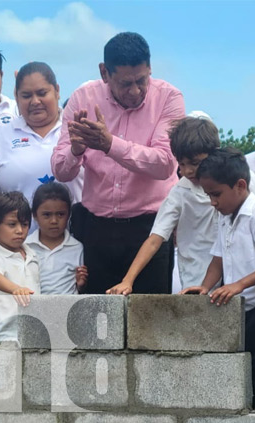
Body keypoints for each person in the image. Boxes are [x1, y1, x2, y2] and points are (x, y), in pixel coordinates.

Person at [52, 32, 185, 294]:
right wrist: (76, 150)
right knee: (96, 323)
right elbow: (60, 170)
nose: (135, 91)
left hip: (150, 228)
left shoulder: (169, 98)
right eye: (125, 83)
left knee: (149, 321)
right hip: (95, 228)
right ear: (104, 73)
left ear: (150, 69)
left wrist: (109, 144)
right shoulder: (83, 98)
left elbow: (165, 164)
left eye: (141, 80)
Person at [181, 148, 255, 411]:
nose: (212, 202)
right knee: (245, 374)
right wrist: (205, 287)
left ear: (240, 185)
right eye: (208, 196)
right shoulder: (225, 216)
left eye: (216, 194)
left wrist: (239, 284)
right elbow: (217, 258)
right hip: (238, 309)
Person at [106, 114, 220, 295]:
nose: (188, 170)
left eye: (195, 163)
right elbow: (154, 240)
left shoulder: (236, 177)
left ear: (215, 153)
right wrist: (128, 281)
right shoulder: (180, 192)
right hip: (197, 279)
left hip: (236, 277)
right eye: (182, 164)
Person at [0, 62, 82, 249]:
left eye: (42, 93)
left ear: (57, 91)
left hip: (75, 250)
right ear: (16, 97)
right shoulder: (2, 136)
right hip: (18, 253)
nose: (35, 101)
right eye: (26, 95)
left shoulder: (77, 128)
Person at [0, 191, 40, 342]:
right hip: (5, 336)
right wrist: (16, 289)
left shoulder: (32, 254)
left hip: (35, 333)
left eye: (25, 224)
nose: (20, 230)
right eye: (12, 224)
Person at [26, 182, 87, 294]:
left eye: (60, 214)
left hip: (67, 308)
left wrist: (80, 284)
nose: (54, 221)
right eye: (47, 215)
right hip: (34, 308)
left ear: (68, 215)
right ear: (35, 215)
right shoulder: (26, 246)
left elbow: (79, 288)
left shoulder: (76, 247)